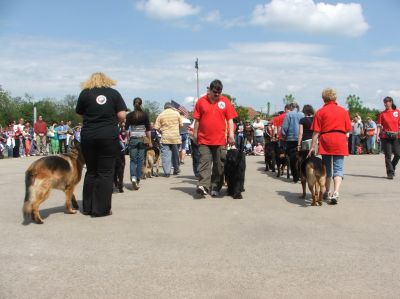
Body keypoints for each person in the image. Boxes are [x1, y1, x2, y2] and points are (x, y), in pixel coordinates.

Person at [75, 72, 127, 217]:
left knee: (91, 170)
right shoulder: (114, 93)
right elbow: (122, 115)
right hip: (108, 135)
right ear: (107, 80)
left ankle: (88, 207)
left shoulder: (85, 93)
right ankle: (101, 209)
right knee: (105, 172)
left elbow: (80, 113)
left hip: (89, 135)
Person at [193, 79, 237, 197]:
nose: (217, 94)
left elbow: (230, 120)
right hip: (204, 139)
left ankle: (215, 186)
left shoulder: (225, 101)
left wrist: (231, 135)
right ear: (210, 90)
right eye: (215, 92)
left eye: (219, 92)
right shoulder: (201, 102)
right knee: (204, 163)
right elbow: (197, 120)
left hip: (220, 140)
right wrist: (195, 135)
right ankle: (203, 186)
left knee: (219, 165)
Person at [308, 88, 352, 205]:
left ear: (324, 98)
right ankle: (336, 192)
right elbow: (348, 128)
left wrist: (312, 147)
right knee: (338, 168)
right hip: (340, 139)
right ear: (335, 98)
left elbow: (316, 132)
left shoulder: (320, 112)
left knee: (326, 168)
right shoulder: (343, 111)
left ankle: (327, 191)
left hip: (326, 139)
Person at [125, 97, 152, 190]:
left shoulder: (129, 115)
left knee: (133, 160)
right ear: (141, 104)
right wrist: (150, 141)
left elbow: (126, 130)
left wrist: (128, 139)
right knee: (140, 160)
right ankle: (137, 178)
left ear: (133, 104)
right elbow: (148, 130)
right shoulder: (144, 115)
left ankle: (133, 177)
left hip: (133, 139)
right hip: (142, 139)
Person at [154, 102, 182, 177]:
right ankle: (176, 169)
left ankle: (167, 172)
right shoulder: (176, 114)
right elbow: (181, 125)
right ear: (171, 107)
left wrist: (161, 131)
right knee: (175, 154)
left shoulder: (161, 114)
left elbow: (156, 127)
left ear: (164, 107)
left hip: (165, 137)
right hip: (175, 137)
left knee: (166, 155)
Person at [376, 97, 400, 179]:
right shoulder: (382, 114)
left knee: (398, 154)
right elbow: (379, 126)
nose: (385, 104)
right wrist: (377, 136)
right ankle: (390, 173)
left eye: (387, 102)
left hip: (396, 136)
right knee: (388, 155)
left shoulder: (397, 112)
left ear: (391, 102)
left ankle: (392, 166)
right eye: (384, 102)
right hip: (385, 136)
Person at [282, 102, 305, 183]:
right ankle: (301, 175)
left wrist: (284, 136)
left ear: (291, 107)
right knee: (301, 158)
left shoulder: (288, 115)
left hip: (291, 139)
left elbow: (284, 127)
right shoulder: (302, 114)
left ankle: (295, 177)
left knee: (292, 159)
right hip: (301, 139)